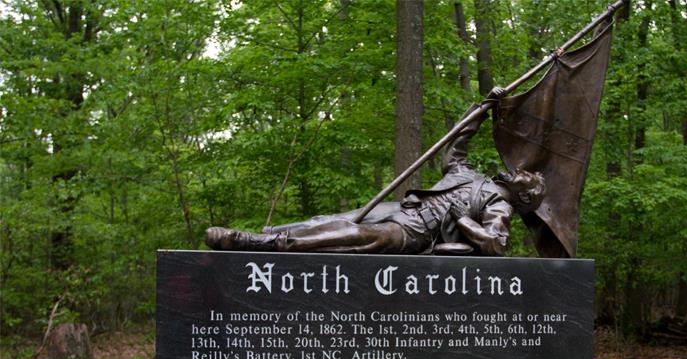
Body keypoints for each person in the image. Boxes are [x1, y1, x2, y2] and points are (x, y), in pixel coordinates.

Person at [205, 88, 545, 256]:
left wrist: (463, 220)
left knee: (348, 238)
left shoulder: (499, 206)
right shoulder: (471, 176)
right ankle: (271, 231)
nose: (526, 171)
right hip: (405, 210)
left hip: (417, 234)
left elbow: (496, 245)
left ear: (524, 194)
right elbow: (456, 144)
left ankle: (260, 244)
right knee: (333, 220)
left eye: (531, 178)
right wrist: (483, 108)